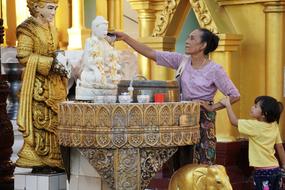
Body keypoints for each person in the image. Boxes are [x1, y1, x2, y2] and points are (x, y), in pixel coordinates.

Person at [114, 28, 240, 165]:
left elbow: (234, 95)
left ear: (203, 45)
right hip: (181, 116)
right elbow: (150, 53)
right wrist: (125, 37)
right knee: (182, 159)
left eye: (192, 38)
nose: (186, 41)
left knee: (203, 160)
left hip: (203, 119)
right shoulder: (182, 61)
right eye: (187, 37)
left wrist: (212, 107)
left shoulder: (215, 69)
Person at [16, 0, 68, 173]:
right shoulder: (27, 29)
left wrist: (61, 61)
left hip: (54, 84)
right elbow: (23, 56)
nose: (54, 12)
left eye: (55, 8)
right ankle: (40, 160)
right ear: (37, 8)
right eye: (50, 8)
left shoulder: (53, 28)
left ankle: (54, 160)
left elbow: (55, 52)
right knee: (41, 121)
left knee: (56, 122)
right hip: (37, 85)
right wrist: (50, 63)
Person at [220, 96, 285, 190]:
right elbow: (280, 147)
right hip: (276, 170)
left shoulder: (254, 126)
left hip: (262, 173)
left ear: (264, 114)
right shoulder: (274, 125)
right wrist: (284, 165)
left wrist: (228, 105)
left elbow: (234, 122)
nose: (252, 107)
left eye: (255, 106)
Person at [75, 16, 122, 100]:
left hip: (104, 71)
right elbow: (87, 61)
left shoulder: (106, 43)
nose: (105, 32)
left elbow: (108, 60)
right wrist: (95, 70)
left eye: (106, 30)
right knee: (95, 78)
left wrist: (111, 69)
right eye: (103, 30)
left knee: (114, 78)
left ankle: (105, 82)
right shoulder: (90, 41)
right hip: (92, 71)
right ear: (95, 30)